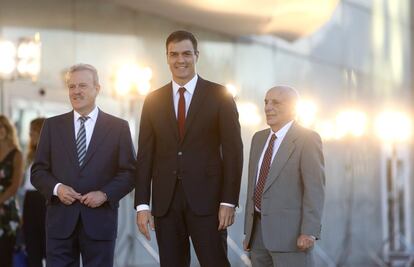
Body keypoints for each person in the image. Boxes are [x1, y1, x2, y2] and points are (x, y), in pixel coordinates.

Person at [135, 30, 243, 267]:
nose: (180, 60)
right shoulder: (152, 100)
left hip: (209, 203)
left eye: (186, 53)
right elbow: (145, 156)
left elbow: (234, 151)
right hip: (166, 204)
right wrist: (142, 204)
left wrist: (229, 201)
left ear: (196, 55)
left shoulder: (220, 95)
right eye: (174, 54)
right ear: (166, 57)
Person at [31, 63, 136, 267]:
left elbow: (129, 173)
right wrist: (57, 188)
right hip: (60, 223)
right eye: (72, 87)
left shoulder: (118, 128)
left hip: (100, 223)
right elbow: (38, 171)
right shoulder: (52, 126)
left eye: (82, 86)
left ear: (97, 89)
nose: (76, 91)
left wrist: (104, 194)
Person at [243, 86, 325, 267]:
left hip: (292, 238)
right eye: (266, 102)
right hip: (258, 237)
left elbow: (315, 189)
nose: (268, 107)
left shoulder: (308, 138)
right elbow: (253, 186)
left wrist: (309, 231)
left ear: (294, 108)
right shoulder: (258, 138)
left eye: (276, 102)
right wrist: (248, 232)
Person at [0, 115, 24, 267]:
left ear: (7, 129)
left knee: (5, 256)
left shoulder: (17, 155)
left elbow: (15, 186)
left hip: (7, 212)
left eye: (1, 126)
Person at [22, 117, 46, 267]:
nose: (30, 134)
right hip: (29, 198)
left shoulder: (52, 152)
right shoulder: (30, 154)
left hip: (43, 198)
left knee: (45, 242)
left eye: (33, 131)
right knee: (31, 242)